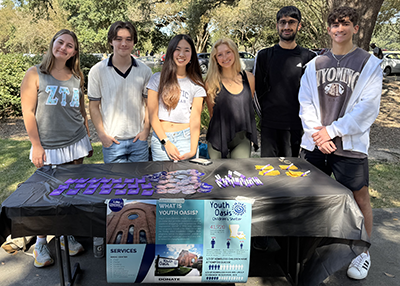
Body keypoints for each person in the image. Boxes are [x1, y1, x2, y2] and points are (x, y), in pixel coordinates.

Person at [299, 6, 382, 280]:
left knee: (359, 198)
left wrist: (332, 131)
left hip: (349, 146)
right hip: (316, 144)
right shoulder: (315, 65)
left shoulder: (369, 64)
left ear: (355, 28)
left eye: (344, 24)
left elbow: (367, 109)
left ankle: (362, 253)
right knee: (313, 199)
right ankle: (313, 250)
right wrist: (317, 134)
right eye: (334, 24)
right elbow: (306, 103)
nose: (339, 29)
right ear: (328, 29)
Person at [20, 29, 92, 267]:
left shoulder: (76, 76)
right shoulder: (35, 74)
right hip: (48, 146)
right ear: (53, 43)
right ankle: (41, 242)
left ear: (74, 52)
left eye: (70, 45)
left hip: (76, 142)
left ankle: (65, 233)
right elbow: (28, 113)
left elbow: (80, 111)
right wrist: (36, 145)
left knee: (71, 191)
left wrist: (87, 138)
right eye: (60, 42)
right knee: (46, 196)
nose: (64, 48)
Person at [254, 6, 316, 158]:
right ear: (277, 26)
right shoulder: (264, 55)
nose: (286, 27)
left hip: (296, 126)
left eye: (291, 22)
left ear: (299, 25)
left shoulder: (310, 57)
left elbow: (314, 95)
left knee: (293, 174)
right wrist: (265, 116)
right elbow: (256, 91)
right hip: (270, 126)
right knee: (268, 173)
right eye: (282, 22)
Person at [88, 21, 153, 163]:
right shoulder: (97, 71)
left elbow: (149, 105)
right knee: (116, 185)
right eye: (118, 39)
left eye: (128, 39)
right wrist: (102, 135)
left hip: (138, 140)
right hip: (112, 142)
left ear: (134, 42)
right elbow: (93, 106)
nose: (124, 43)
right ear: (111, 41)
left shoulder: (145, 71)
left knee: (141, 184)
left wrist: (146, 131)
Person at [147, 34, 206, 161]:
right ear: (171, 52)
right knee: (163, 180)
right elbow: (153, 116)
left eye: (187, 50)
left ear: (192, 55)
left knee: (186, 180)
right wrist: (166, 142)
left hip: (186, 139)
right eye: (177, 49)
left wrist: (193, 150)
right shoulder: (157, 79)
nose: (181, 54)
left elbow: (195, 120)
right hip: (161, 140)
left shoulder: (196, 84)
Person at [205, 38, 258, 159]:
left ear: (234, 52)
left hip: (241, 138)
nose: (225, 57)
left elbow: (246, 107)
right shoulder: (210, 83)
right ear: (215, 59)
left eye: (228, 52)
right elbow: (211, 112)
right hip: (218, 137)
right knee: (216, 176)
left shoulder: (249, 78)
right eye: (220, 55)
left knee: (239, 175)